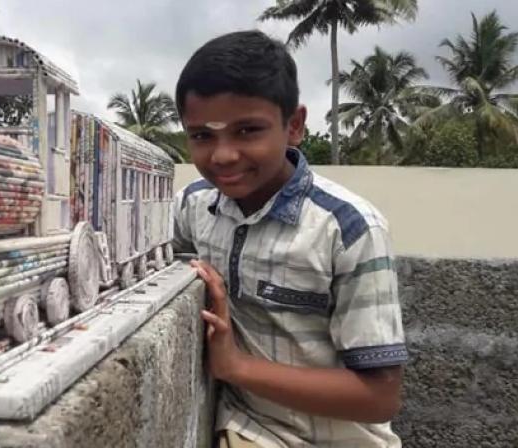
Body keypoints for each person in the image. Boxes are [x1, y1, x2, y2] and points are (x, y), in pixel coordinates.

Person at [171, 30, 408, 448]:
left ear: (294, 125)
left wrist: (235, 366)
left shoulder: (348, 229)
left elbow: (379, 397)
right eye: (202, 135)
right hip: (245, 427)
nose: (223, 155)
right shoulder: (195, 207)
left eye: (247, 131)